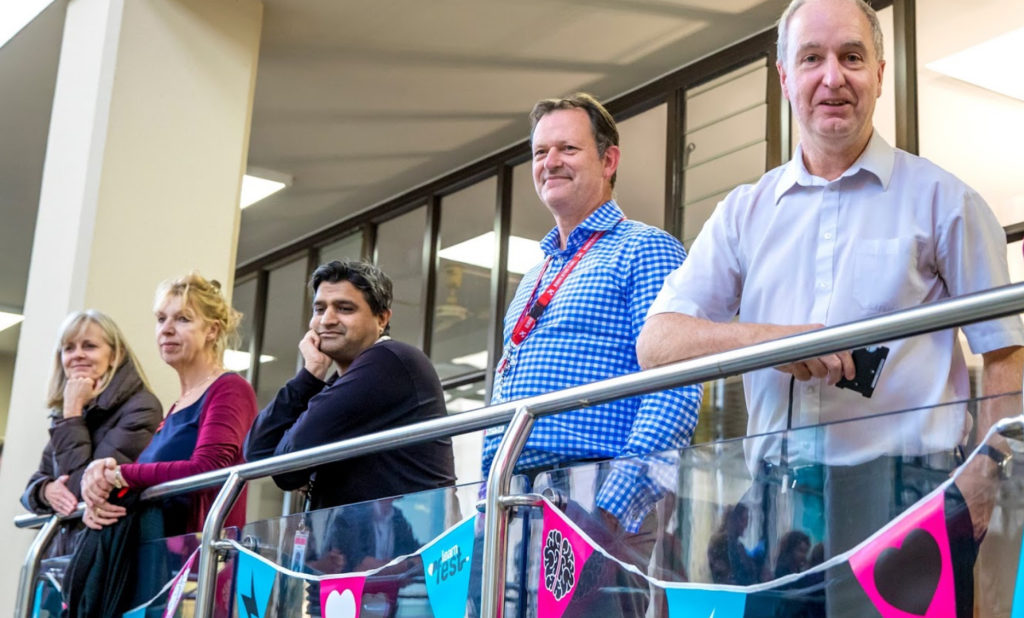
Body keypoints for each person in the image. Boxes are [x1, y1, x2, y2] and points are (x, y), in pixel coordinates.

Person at [637, 0, 1024, 613]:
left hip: (908, 493)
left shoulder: (945, 202)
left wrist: (985, 475)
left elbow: (1004, 353)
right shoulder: (744, 212)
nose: (832, 77)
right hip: (775, 501)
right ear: (785, 77)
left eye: (851, 57)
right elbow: (656, 343)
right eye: (811, 59)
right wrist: (772, 343)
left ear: (879, 72)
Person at [480, 93, 702, 536]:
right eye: (540, 152)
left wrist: (613, 509)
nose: (551, 161)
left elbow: (675, 388)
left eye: (568, 148)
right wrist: (487, 501)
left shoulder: (646, 249)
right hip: (512, 503)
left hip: (593, 496)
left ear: (608, 160)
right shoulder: (533, 277)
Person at [244, 260, 455, 511]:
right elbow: (257, 454)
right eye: (319, 309)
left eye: (344, 308)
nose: (327, 320)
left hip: (407, 544)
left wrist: (295, 464)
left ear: (382, 318)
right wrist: (310, 374)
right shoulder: (341, 382)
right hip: (356, 544)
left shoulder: (390, 362)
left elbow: (286, 469)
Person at [80, 272, 259, 534]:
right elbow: (147, 475)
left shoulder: (230, 389)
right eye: (161, 319)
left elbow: (209, 469)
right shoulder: (178, 406)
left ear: (212, 330)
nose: (166, 329)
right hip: (160, 551)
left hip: (201, 561)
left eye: (183, 319)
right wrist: (99, 488)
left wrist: (119, 475)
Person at [21, 310, 162, 554]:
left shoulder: (141, 407)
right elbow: (31, 487)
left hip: (102, 553)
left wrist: (72, 412)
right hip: (59, 557)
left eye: (89, 346)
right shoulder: (70, 413)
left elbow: (83, 491)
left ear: (114, 356)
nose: (77, 355)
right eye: (68, 348)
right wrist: (45, 491)